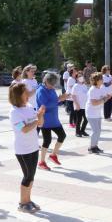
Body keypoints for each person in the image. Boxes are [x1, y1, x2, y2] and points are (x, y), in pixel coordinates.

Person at [9, 82, 45, 212]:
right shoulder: (14, 112)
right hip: (22, 149)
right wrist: (36, 120)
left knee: (31, 176)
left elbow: (40, 124)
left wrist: (40, 116)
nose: (28, 94)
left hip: (33, 146)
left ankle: (28, 200)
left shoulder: (29, 106)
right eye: (25, 92)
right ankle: (22, 203)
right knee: (27, 176)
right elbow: (23, 129)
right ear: (19, 95)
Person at [36, 72, 69, 171]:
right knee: (47, 140)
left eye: (54, 84)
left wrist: (62, 98)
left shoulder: (52, 89)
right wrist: (59, 99)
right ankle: (41, 162)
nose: (52, 86)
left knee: (62, 135)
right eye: (51, 84)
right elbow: (43, 105)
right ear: (46, 81)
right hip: (45, 120)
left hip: (54, 119)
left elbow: (55, 101)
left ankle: (53, 155)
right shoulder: (41, 90)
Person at [86, 72, 109, 153]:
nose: (103, 80)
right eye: (101, 79)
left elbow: (105, 98)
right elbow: (94, 103)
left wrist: (105, 98)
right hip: (91, 113)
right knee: (95, 131)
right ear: (97, 80)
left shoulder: (101, 88)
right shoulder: (92, 90)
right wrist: (103, 99)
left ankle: (95, 146)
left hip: (98, 113)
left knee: (98, 131)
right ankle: (91, 147)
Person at [71, 70, 88, 137]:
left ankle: (82, 130)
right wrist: (77, 104)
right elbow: (73, 96)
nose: (81, 78)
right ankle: (77, 132)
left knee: (86, 119)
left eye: (82, 76)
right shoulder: (75, 86)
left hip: (85, 105)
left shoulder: (84, 86)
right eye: (80, 76)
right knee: (79, 119)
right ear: (77, 78)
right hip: (78, 105)